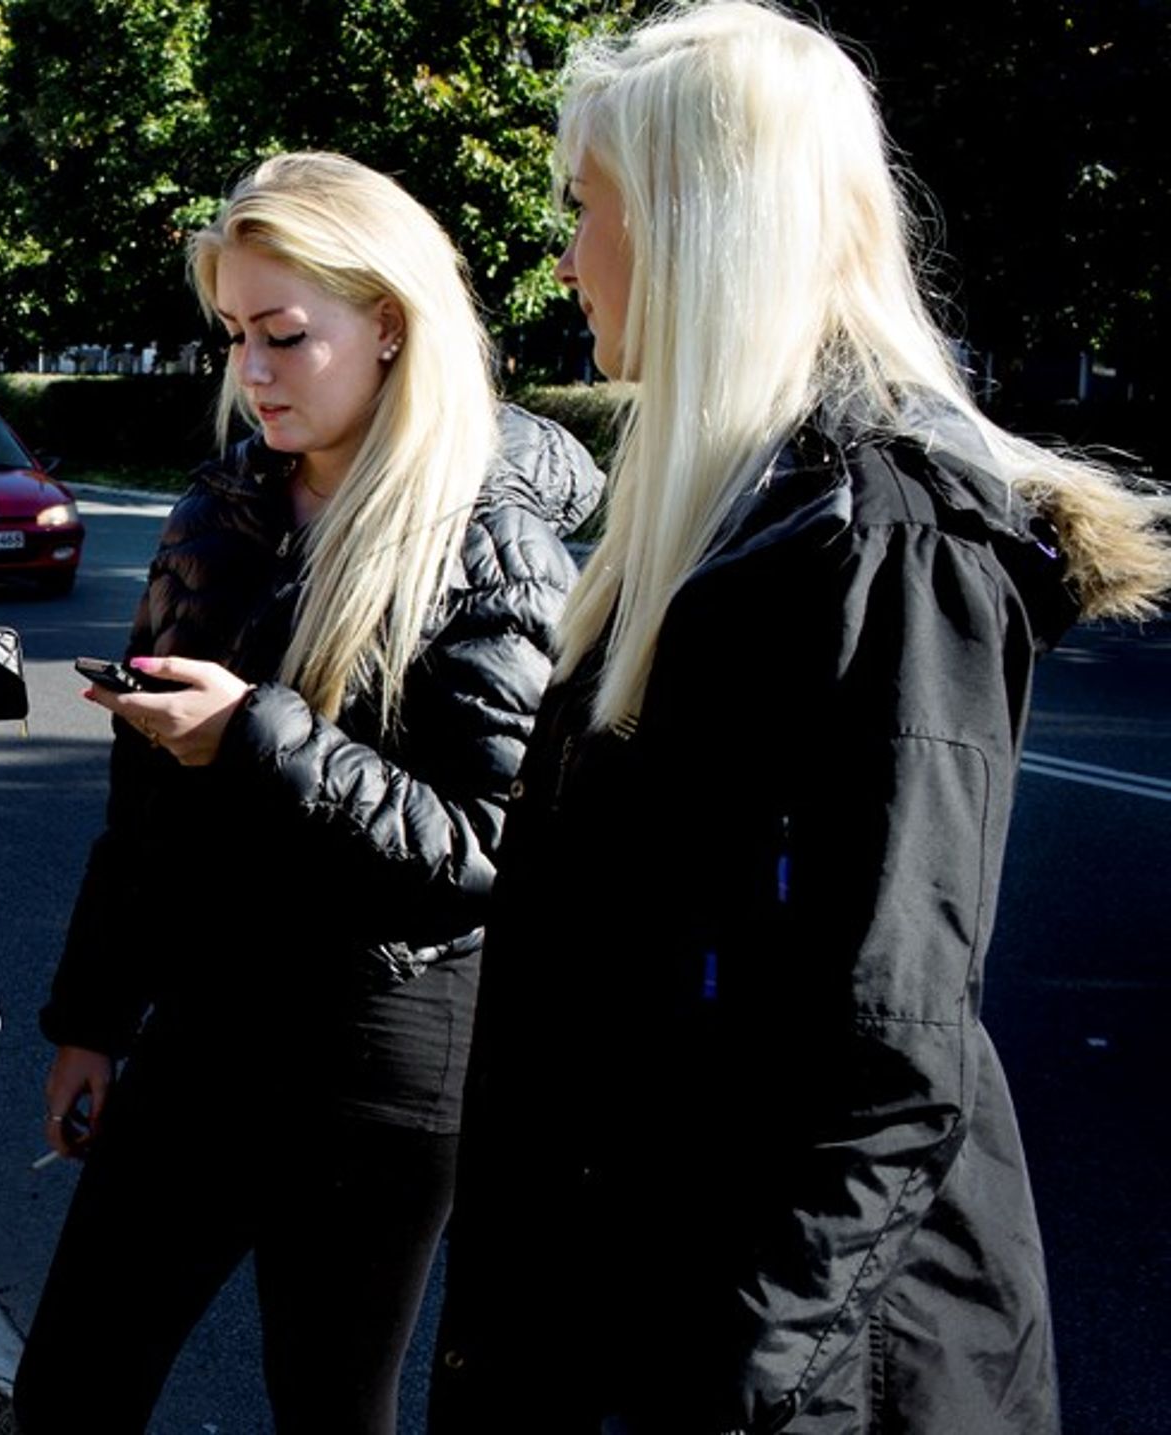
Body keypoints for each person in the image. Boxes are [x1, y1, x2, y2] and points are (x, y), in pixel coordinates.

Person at [428, 6, 1171, 1431]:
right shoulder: (719, 515)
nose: (566, 257)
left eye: (586, 206)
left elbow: (889, 1046)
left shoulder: (887, 536)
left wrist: (738, 1384)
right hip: (650, 1298)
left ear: (699, 224)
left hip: (801, 1359)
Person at [9, 151, 600, 1433]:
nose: (253, 372)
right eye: (233, 336)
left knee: (328, 1405)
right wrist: (92, 1017)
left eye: (283, 335)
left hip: (383, 1045)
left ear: (389, 323)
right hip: (204, 1023)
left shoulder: (491, 536)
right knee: (68, 1386)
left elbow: (485, 846)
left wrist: (254, 735)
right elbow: (141, 808)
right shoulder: (220, 507)